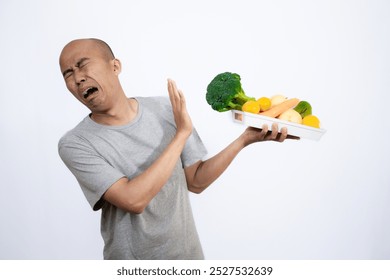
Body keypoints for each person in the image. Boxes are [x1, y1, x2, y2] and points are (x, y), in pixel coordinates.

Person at [58, 38, 297, 260]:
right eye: (68, 73)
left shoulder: (165, 108)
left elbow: (195, 181)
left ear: (115, 66)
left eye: (83, 65)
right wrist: (181, 134)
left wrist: (243, 140)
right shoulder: (76, 143)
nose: (78, 78)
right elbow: (133, 200)